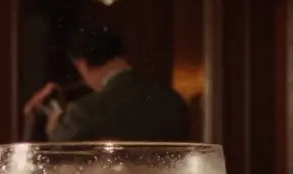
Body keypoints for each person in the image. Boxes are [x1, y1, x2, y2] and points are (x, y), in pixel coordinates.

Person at [23, 25, 191, 142]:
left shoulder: (84, 112)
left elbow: (55, 161)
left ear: (82, 64)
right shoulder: (173, 100)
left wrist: (54, 130)